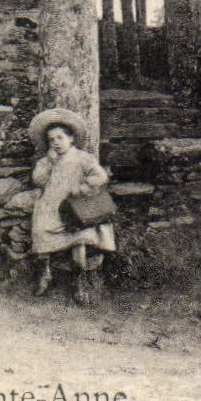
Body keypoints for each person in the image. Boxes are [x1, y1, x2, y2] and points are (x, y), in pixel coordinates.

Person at [27, 109, 116, 305]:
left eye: (60, 138)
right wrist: (50, 163)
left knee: (80, 239)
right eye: (51, 140)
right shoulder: (46, 161)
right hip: (50, 206)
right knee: (41, 231)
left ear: (72, 138)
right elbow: (38, 180)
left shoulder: (82, 158)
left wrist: (83, 187)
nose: (56, 143)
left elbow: (100, 176)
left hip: (75, 207)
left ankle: (79, 281)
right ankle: (45, 274)